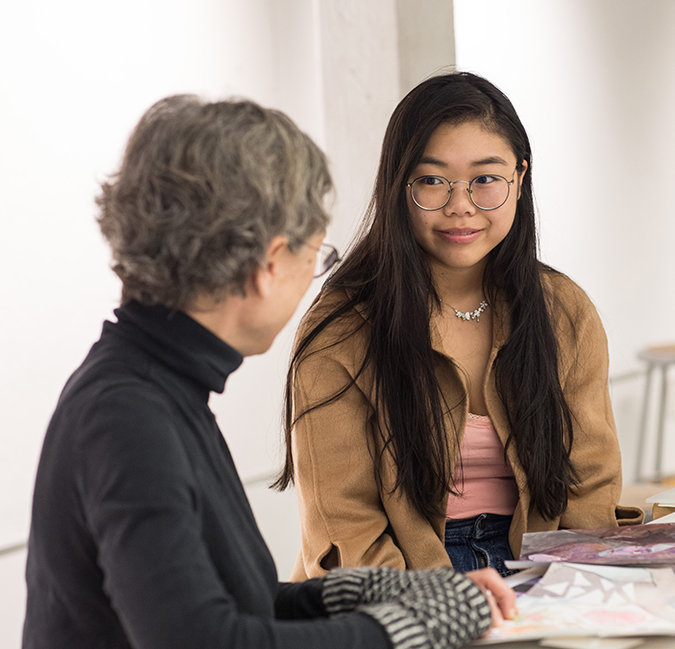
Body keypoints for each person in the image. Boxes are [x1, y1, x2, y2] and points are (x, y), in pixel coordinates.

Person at [23, 95, 514, 649]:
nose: (312, 277)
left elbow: (237, 601)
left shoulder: (151, 389)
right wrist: (398, 631)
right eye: (315, 257)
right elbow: (207, 641)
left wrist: (368, 594)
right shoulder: (128, 417)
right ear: (271, 264)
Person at [278, 71, 642, 580]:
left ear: (520, 177)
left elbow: (589, 482)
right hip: (402, 575)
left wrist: (573, 588)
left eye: (485, 178)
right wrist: (444, 603)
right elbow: (344, 524)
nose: (460, 205)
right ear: (397, 185)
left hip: (538, 561)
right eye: (431, 180)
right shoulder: (342, 328)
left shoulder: (562, 308)